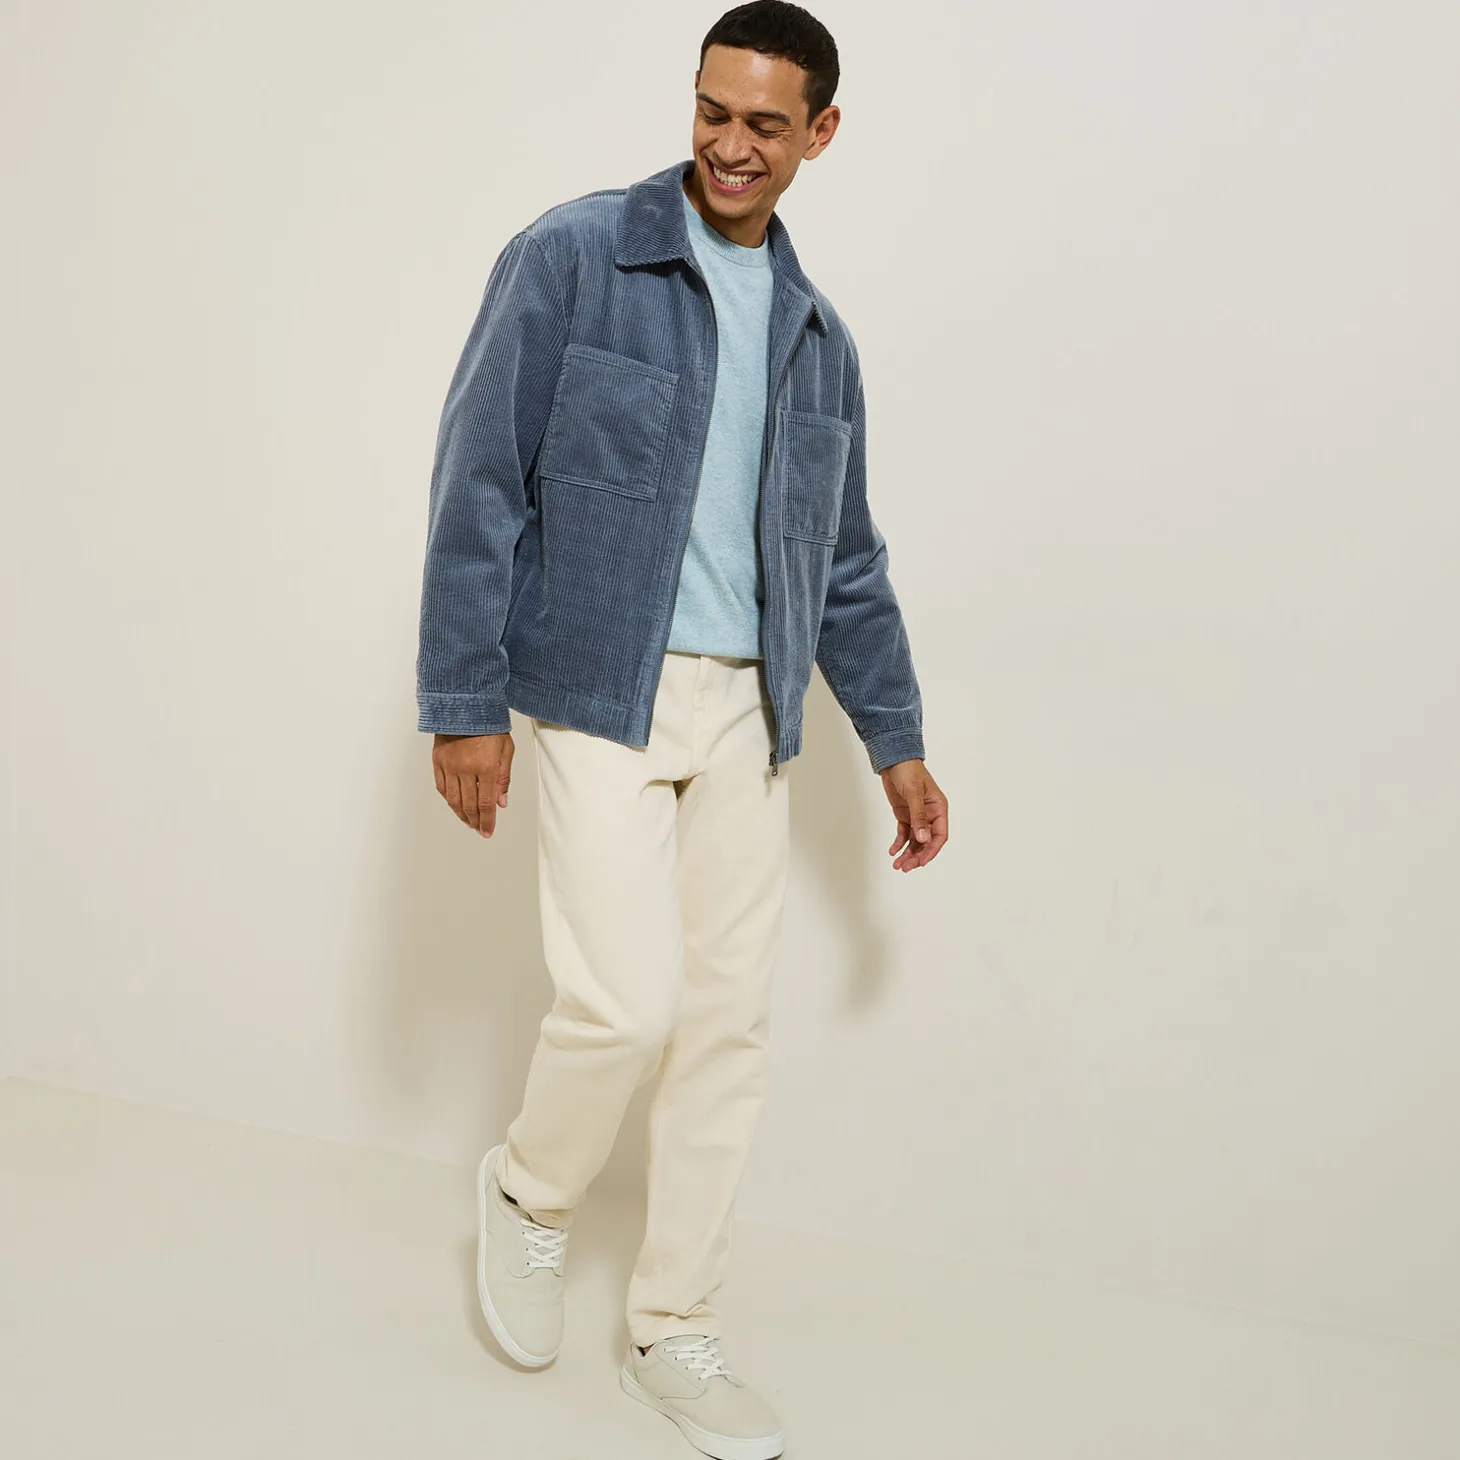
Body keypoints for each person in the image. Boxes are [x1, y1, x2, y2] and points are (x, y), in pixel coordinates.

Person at [415, 3, 948, 1455]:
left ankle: (674, 1325)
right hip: (599, 686)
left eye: (766, 124)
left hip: (749, 712)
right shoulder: (574, 256)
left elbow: (847, 560)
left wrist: (895, 738)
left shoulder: (820, 340)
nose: (730, 144)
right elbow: (478, 478)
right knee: (623, 1006)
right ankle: (530, 1189)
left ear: (820, 133)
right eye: (714, 111)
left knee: (725, 1031)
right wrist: (464, 700)